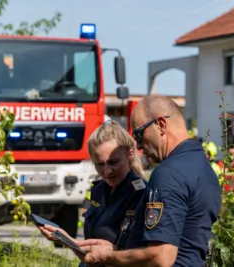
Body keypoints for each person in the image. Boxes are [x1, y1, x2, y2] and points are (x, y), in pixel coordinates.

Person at [77, 94, 221, 267]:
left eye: (138, 134)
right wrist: (113, 249)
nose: (138, 145)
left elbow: (160, 257)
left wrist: (107, 257)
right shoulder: (203, 167)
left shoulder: (169, 174)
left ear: (161, 125)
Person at [38, 120, 148, 266]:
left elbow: (139, 253)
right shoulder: (98, 189)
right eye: (100, 164)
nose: (107, 171)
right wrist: (66, 239)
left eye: (113, 162)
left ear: (130, 154)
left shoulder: (142, 194)